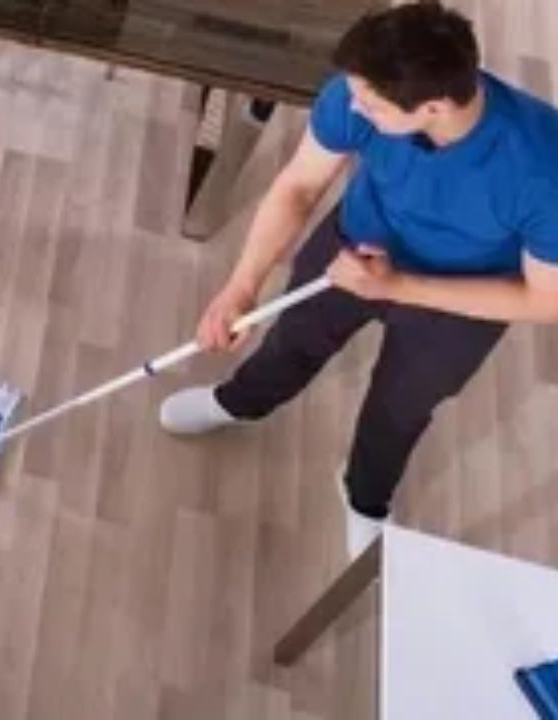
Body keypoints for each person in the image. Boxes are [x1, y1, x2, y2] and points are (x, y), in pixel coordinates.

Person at [159, 1, 558, 557]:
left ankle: (366, 498)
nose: (354, 108)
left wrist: (396, 287)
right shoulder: (358, 93)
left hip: (462, 299)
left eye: (371, 107)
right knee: (293, 342)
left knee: (400, 409)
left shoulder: (542, 169)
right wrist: (241, 286)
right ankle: (237, 402)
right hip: (353, 249)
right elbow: (299, 187)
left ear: (434, 107)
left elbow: (545, 301)